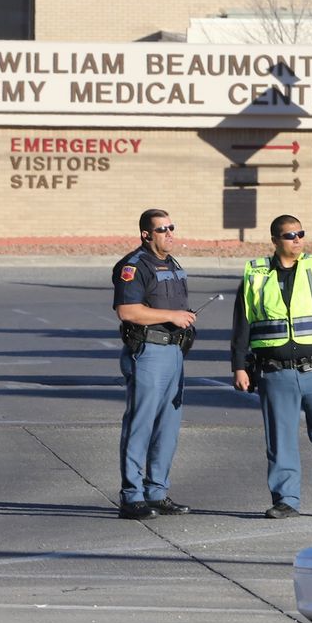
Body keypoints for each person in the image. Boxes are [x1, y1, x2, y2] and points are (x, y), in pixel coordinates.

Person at [231, 215, 312, 519]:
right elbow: (242, 324)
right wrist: (239, 366)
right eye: (290, 235)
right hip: (275, 371)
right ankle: (286, 499)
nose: (297, 239)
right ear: (275, 240)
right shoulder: (256, 274)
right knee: (280, 437)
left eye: (300, 234)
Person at [112, 209, 195, 520]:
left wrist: (183, 320)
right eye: (162, 229)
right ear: (147, 234)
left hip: (174, 352)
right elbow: (128, 311)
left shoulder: (172, 264)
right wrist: (172, 317)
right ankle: (131, 496)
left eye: (171, 227)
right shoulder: (133, 266)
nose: (170, 233)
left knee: (168, 426)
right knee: (140, 424)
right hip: (148, 351)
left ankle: (156, 492)